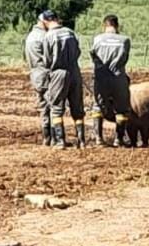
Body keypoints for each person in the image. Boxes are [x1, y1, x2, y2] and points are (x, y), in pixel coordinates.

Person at [41, 10, 86, 149]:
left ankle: (60, 141)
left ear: (46, 21)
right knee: (77, 108)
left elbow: (47, 59)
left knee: (56, 108)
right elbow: (78, 52)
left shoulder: (49, 36)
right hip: (75, 71)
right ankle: (81, 141)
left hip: (58, 73)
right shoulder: (70, 32)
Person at [90, 14, 131, 147]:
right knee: (121, 109)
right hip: (118, 77)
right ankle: (118, 139)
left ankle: (98, 139)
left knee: (98, 106)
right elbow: (125, 59)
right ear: (117, 25)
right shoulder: (125, 40)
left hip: (101, 78)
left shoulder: (97, 39)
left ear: (104, 25)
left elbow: (93, 57)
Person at [25, 15, 52, 145]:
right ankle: (54, 138)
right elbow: (49, 58)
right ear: (44, 22)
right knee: (52, 106)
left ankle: (46, 137)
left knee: (43, 106)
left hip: (35, 74)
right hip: (45, 74)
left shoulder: (30, 36)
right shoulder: (44, 37)